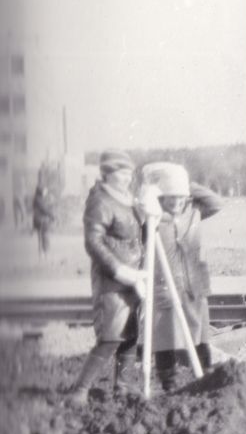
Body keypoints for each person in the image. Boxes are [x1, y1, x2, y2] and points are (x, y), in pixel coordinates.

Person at [67, 150, 153, 405]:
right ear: (108, 174)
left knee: (130, 335)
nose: (127, 177)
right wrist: (119, 270)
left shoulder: (128, 200)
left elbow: (141, 232)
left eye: (129, 172)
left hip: (134, 276)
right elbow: (93, 242)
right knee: (110, 337)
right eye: (122, 172)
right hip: (112, 279)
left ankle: (122, 388)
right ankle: (80, 391)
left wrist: (149, 212)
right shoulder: (100, 201)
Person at [142, 163, 224, 391]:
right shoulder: (153, 216)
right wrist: (151, 189)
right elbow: (139, 213)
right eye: (171, 198)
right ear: (161, 198)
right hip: (164, 281)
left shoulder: (194, 211)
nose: (177, 203)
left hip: (194, 279)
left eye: (180, 198)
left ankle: (205, 373)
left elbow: (217, 203)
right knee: (165, 333)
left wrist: (188, 185)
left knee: (200, 330)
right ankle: (167, 379)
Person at [32, 179, 57, 260]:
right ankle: (45, 254)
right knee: (45, 237)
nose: (46, 191)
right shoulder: (39, 199)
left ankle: (41, 254)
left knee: (41, 237)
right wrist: (53, 216)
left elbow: (45, 208)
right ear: (41, 190)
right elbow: (44, 209)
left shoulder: (37, 198)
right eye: (45, 190)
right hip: (42, 221)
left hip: (38, 220)